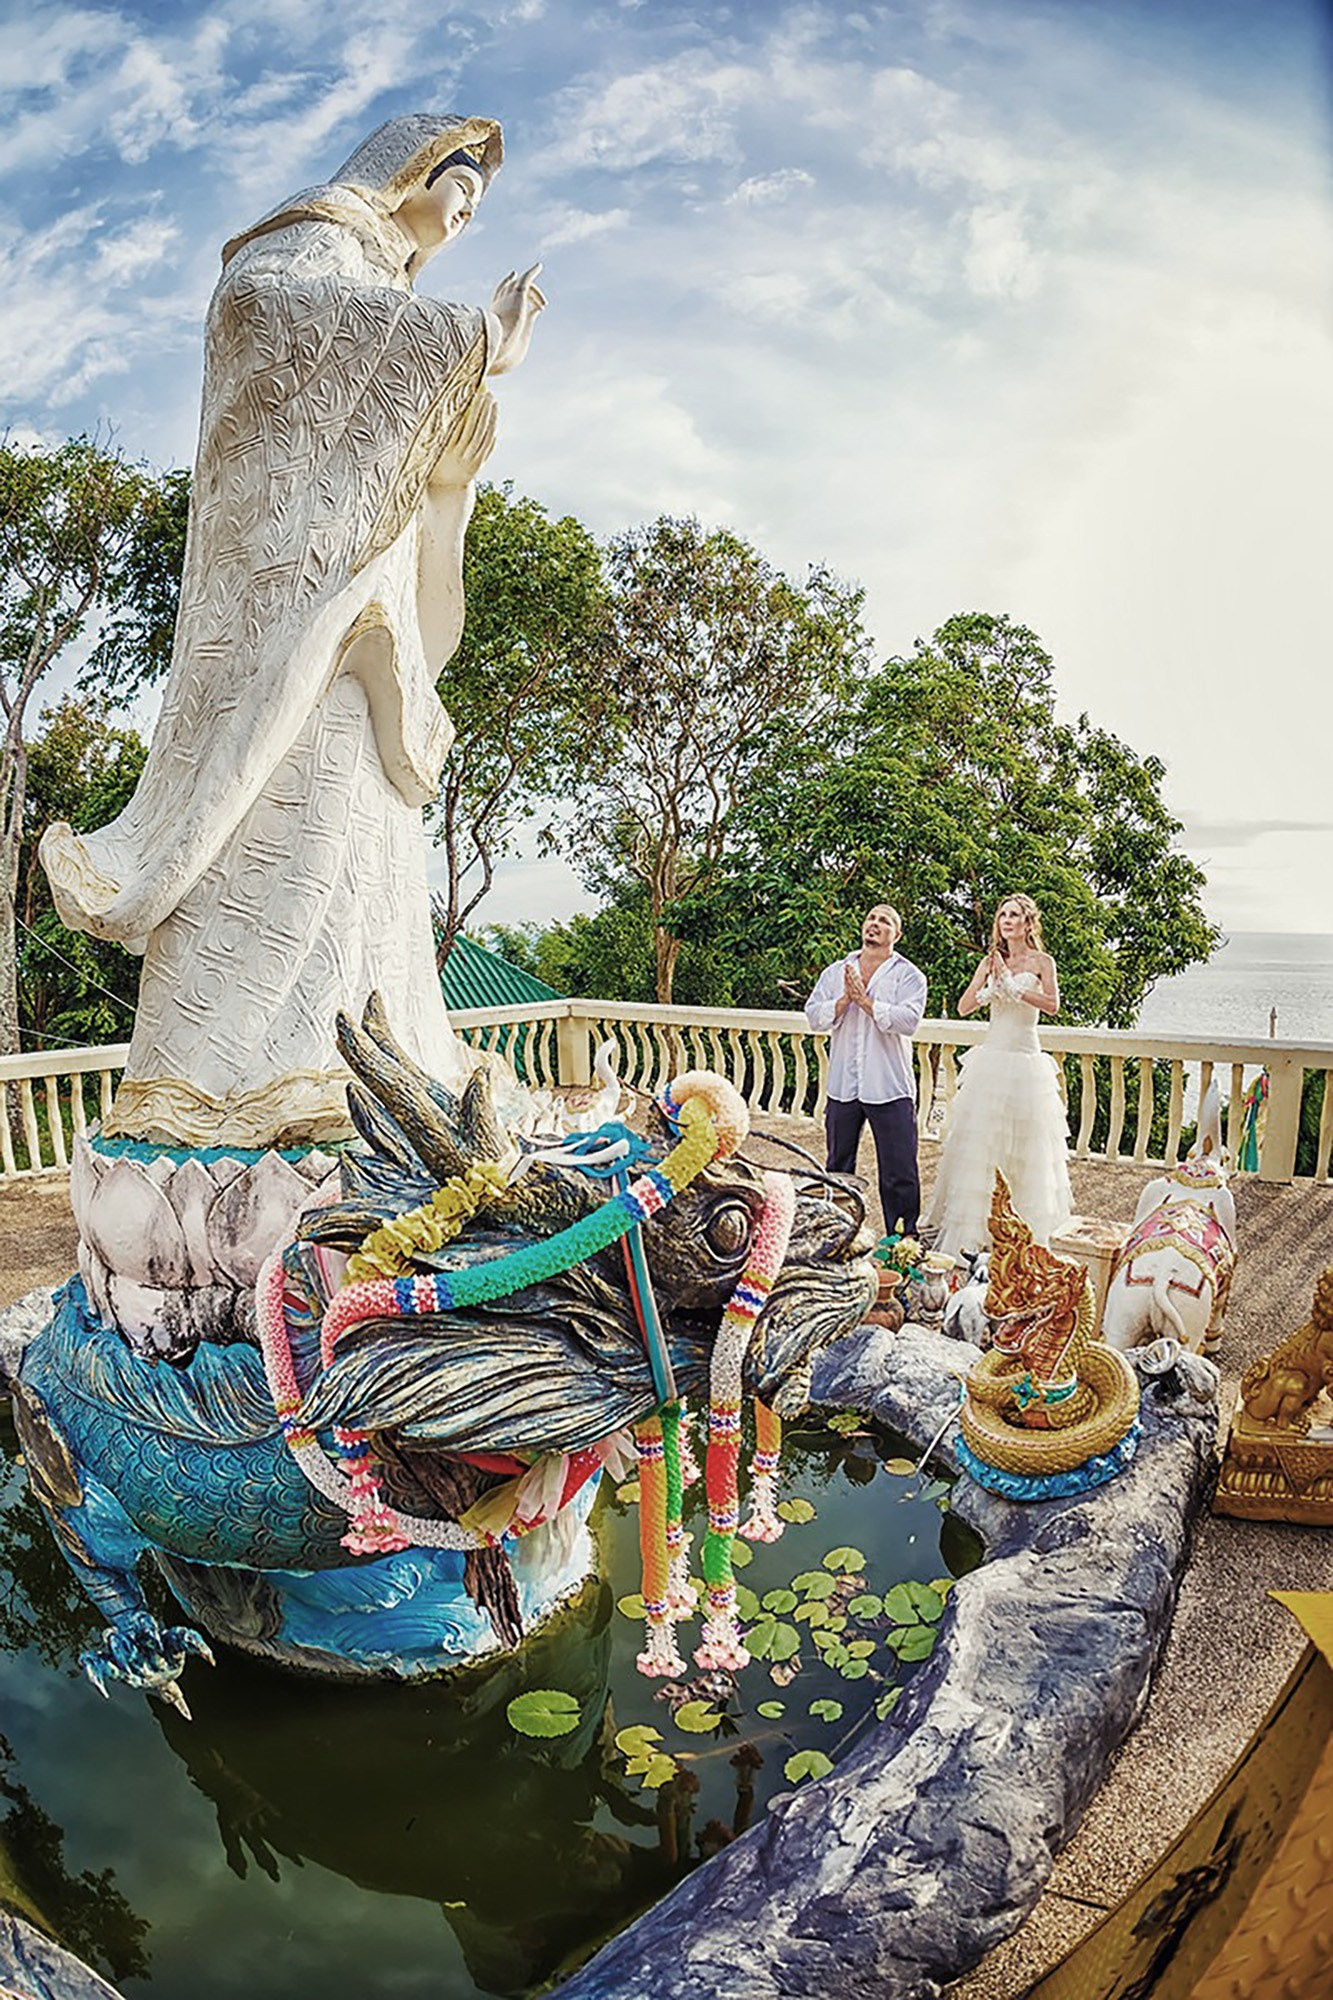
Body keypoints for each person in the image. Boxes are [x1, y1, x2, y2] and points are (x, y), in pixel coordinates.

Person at [41, 115, 546, 1151]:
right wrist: (472, 338)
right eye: (460, 190)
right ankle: (240, 1080)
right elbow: (258, 315)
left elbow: (408, 461)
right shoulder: (309, 243)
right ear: (408, 171)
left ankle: (367, 1073)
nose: (462, 215)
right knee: (280, 824)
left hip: (366, 632)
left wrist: (462, 417)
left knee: (358, 846)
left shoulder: (385, 286)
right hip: (293, 623)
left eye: (478, 207)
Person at [923, 893, 1074, 1259]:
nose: (1007, 920)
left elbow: (1053, 1005)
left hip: (1026, 1060)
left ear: (1028, 923)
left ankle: (1022, 1234)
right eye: (1003, 914)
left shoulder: (1042, 962)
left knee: (1028, 1149)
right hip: (992, 1060)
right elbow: (963, 1006)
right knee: (982, 1149)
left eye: (1015, 915)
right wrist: (990, 988)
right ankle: (975, 1236)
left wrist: (1017, 992)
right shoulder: (991, 960)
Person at [805, 904, 929, 1236]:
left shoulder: (909, 975)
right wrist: (846, 1000)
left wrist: (866, 1002)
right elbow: (814, 1015)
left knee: (899, 1171)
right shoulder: (836, 971)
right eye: (871, 918)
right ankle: (834, 1236)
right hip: (844, 1083)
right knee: (837, 1166)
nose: (875, 924)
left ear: (897, 935)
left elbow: (909, 1020)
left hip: (890, 1086)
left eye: (885, 920)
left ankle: (902, 1246)